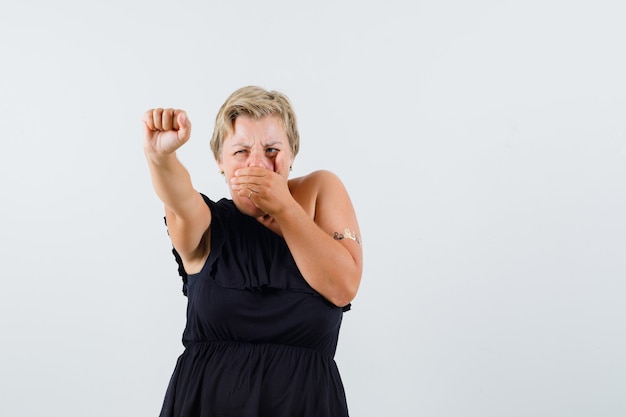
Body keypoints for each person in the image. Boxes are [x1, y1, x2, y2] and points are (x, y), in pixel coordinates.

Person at [142, 86, 363, 417]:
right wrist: (160, 157)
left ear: (292, 154)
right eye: (241, 152)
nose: (257, 164)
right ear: (220, 161)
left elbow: (343, 284)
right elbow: (180, 198)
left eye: (272, 150)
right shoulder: (207, 224)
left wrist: (285, 209)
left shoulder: (321, 191)